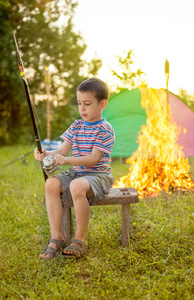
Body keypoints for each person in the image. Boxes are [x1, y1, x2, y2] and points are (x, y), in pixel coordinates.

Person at [34, 78, 115, 259]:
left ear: (102, 104)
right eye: (79, 103)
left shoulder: (105, 129)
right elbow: (61, 150)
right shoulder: (76, 126)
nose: (82, 108)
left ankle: (80, 239)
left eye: (87, 103)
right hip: (77, 174)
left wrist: (67, 160)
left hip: (98, 176)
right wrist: (45, 153)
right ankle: (57, 238)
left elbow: (94, 159)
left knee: (77, 185)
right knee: (51, 184)